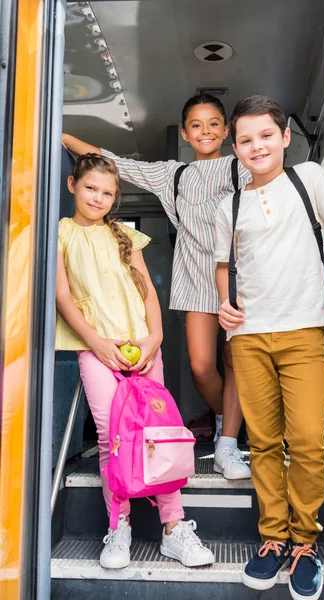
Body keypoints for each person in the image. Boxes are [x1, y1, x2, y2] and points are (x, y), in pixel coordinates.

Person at [215, 96, 324, 600]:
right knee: (262, 442)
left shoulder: (308, 179)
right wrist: (223, 303)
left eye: (265, 136)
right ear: (235, 148)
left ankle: (305, 542)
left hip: (303, 331)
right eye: (245, 140)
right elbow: (223, 265)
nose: (256, 145)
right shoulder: (227, 204)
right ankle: (273, 539)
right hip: (249, 336)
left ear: (283, 138)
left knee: (305, 441)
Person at [62, 93, 252, 480]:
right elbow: (116, 163)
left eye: (214, 123)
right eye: (196, 125)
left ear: (227, 130)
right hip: (194, 274)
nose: (206, 131)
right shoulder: (173, 174)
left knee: (237, 363)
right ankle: (230, 420)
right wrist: (60, 136)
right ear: (185, 132)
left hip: (241, 274)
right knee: (201, 366)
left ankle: (227, 443)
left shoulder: (242, 166)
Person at [55, 153, 215, 570]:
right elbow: (63, 296)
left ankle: (173, 527)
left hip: (143, 348)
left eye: (108, 193)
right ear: (72, 185)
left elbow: (147, 294)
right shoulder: (60, 234)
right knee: (112, 436)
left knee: (157, 431)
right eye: (91, 188)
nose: (99, 197)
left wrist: (155, 338)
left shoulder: (126, 235)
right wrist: (96, 342)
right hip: (96, 348)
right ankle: (118, 525)